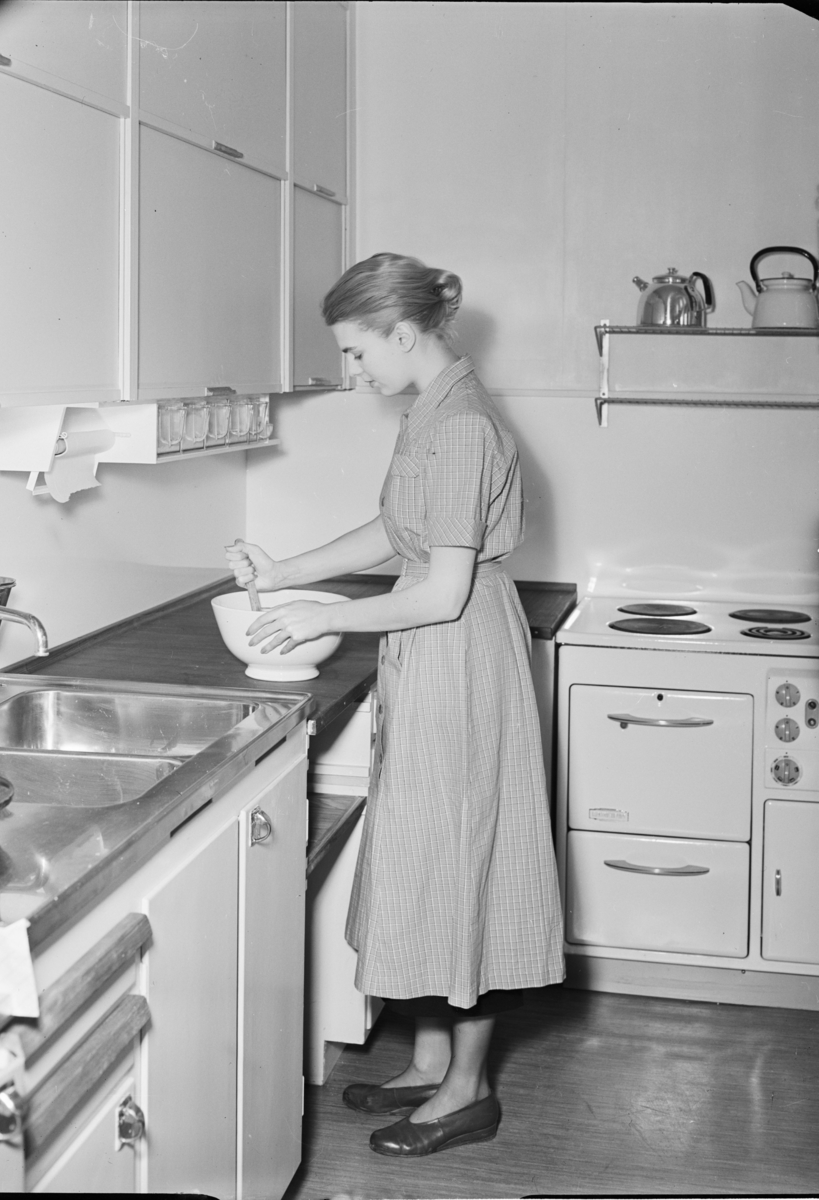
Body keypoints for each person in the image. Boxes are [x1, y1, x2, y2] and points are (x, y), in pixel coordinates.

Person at [225, 252, 564, 1158]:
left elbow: (442, 590)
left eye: (356, 351)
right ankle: (429, 1063)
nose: (352, 370)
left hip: (460, 655)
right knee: (428, 857)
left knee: (465, 863)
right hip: (435, 654)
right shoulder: (434, 409)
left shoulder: (462, 426)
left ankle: (467, 1092)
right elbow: (398, 530)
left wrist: (328, 614)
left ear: (403, 333)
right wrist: (288, 571)